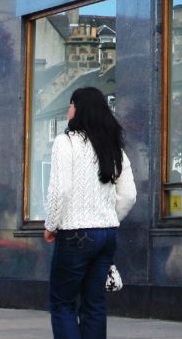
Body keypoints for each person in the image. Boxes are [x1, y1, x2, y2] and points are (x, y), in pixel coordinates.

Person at [45, 86, 137, 339]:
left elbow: (60, 190)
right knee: (94, 303)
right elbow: (129, 195)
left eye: (71, 104)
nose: (68, 110)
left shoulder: (66, 142)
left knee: (62, 303)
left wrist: (51, 224)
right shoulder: (113, 147)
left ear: (79, 109)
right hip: (106, 234)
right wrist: (106, 217)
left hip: (75, 233)